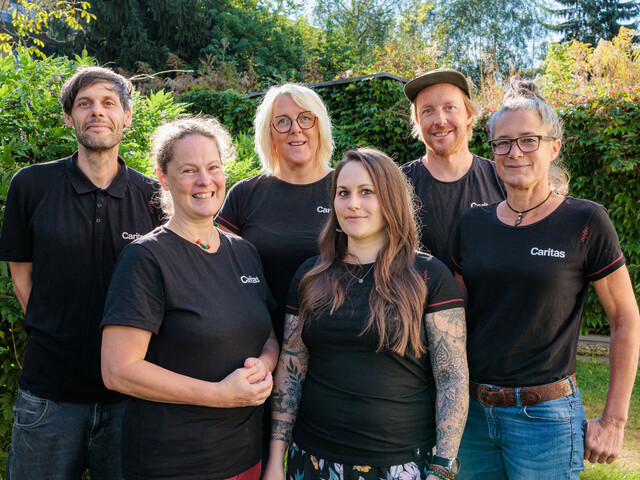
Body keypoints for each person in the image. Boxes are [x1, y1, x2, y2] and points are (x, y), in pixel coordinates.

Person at [452, 78, 640, 479]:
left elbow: (625, 318)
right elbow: (452, 319)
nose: (514, 152)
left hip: (546, 420)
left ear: (554, 146)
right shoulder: (472, 223)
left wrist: (614, 421)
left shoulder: (585, 221)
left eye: (528, 140)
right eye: (503, 142)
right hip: (473, 419)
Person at [264, 148, 469, 480]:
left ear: (390, 198)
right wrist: (276, 459)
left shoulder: (428, 275)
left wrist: (442, 468)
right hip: (313, 459)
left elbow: (452, 378)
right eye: (343, 193)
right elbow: (291, 371)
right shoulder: (310, 275)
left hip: (398, 463)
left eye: (366, 192)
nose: (352, 204)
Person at [0, 66, 163, 479]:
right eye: (84, 104)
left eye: (109, 103)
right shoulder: (31, 185)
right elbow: (22, 276)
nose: (97, 112)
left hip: (130, 398)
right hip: (48, 396)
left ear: (127, 116)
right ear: (69, 117)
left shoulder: (154, 199)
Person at [101, 117, 279, 480]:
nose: (204, 181)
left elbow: (268, 335)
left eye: (213, 167)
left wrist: (265, 364)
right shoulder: (146, 259)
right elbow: (118, 371)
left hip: (244, 456)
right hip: (175, 463)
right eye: (189, 170)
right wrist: (219, 394)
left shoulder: (244, 252)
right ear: (163, 178)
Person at [216, 83, 334, 344]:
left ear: (320, 126)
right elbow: (217, 268)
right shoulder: (244, 194)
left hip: (332, 345)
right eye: (282, 121)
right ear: (269, 134)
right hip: (255, 344)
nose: (296, 129)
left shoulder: (346, 189)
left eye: (306, 118)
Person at [401, 68, 505, 272]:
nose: (440, 121)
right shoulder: (397, 184)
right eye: (428, 111)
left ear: (468, 115)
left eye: (450, 107)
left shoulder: (502, 179)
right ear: (418, 121)